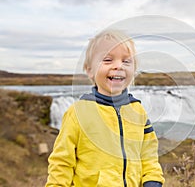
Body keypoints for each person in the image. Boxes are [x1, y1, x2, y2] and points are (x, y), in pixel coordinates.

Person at [45, 29, 164, 186]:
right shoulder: (78, 113)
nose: (118, 66)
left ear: (134, 71)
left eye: (126, 61)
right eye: (108, 60)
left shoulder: (138, 111)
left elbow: (148, 154)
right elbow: (62, 162)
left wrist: (153, 180)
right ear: (89, 70)